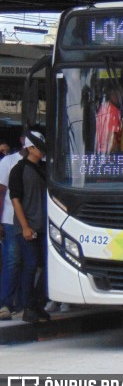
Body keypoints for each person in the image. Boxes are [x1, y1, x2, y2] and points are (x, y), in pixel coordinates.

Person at [9, 131, 49, 323]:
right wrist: (25, 227)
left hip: (44, 227)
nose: (42, 151)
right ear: (30, 148)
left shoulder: (44, 169)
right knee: (30, 266)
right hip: (28, 227)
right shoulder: (19, 169)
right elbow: (15, 199)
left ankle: (37, 304)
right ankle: (27, 307)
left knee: (47, 268)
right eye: (39, 147)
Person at [0, 137, 25, 320]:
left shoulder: (44, 162)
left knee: (28, 263)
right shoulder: (8, 161)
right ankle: (5, 303)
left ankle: (20, 303)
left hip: (31, 219)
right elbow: (1, 192)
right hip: (9, 219)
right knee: (12, 261)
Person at [95, 88, 122, 153]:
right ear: (111, 96)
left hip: (98, 150)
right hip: (108, 152)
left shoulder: (101, 108)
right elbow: (112, 135)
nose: (119, 98)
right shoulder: (114, 111)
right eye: (116, 94)